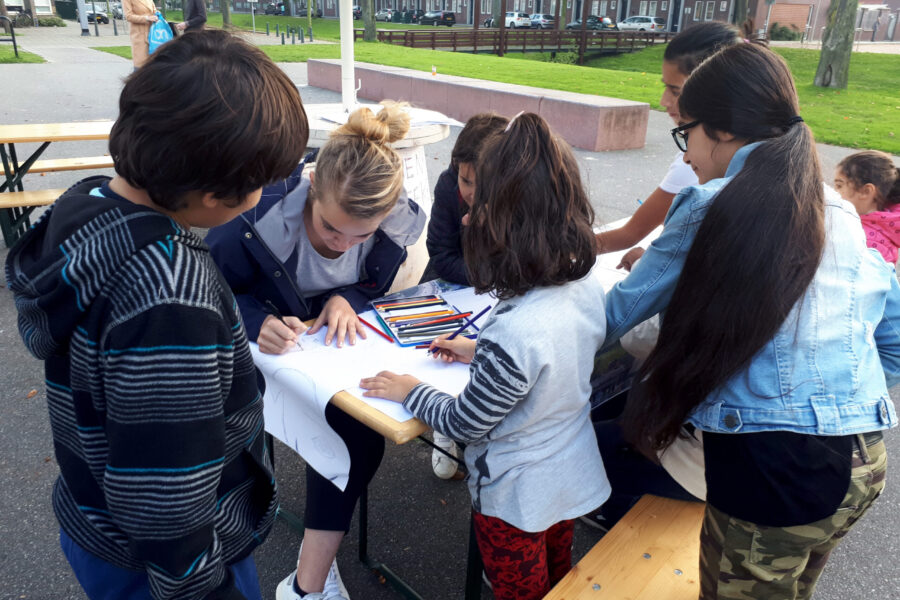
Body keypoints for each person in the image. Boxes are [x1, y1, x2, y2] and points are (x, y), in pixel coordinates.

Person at [5, 30, 309, 600]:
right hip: (165, 568)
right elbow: (165, 492)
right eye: (263, 183)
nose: (268, 192)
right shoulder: (171, 297)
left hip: (93, 515)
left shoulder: (87, 204)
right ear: (215, 196)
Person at [602, 43, 899, 600]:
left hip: (772, 471)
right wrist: (839, 393)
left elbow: (615, 315)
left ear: (722, 132)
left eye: (684, 131)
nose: (685, 153)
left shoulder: (709, 204)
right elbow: (895, 334)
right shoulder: (839, 212)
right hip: (863, 460)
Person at [360, 113, 609, 600]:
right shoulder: (581, 285)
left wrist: (410, 390)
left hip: (514, 499)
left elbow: (464, 422)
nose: (469, 217)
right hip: (570, 473)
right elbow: (548, 356)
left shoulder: (514, 332)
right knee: (560, 574)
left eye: (482, 210)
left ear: (512, 227)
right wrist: (478, 350)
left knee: (521, 592)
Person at [206, 102, 425, 600]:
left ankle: (309, 579)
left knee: (361, 424)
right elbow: (207, 287)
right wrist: (254, 319)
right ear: (310, 190)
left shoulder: (390, 224)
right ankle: (307, 584)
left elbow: (372, 283)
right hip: (259, 355)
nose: (344, 245)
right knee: (354, 437)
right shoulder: (253, 214)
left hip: (330, 353)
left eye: (361, 235)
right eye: (330, 229)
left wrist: (348, 297)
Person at [594, 22, 743, 268]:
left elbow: (631, 233)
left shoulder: (699, 161)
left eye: (675, 90)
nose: (663, 100)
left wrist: (547, 254)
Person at [833, 150, 900, 263]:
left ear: (866, 191)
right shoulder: (869, 224)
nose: (834, 192)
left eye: (839, 185)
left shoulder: (866, 241)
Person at [122, 0, 159, 68]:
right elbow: (128, 16)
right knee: (140, 66)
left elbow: (154, 11)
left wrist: (157, 14)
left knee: (152, 65)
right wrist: (147, 18)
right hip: (139, 35)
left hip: (152, 34)